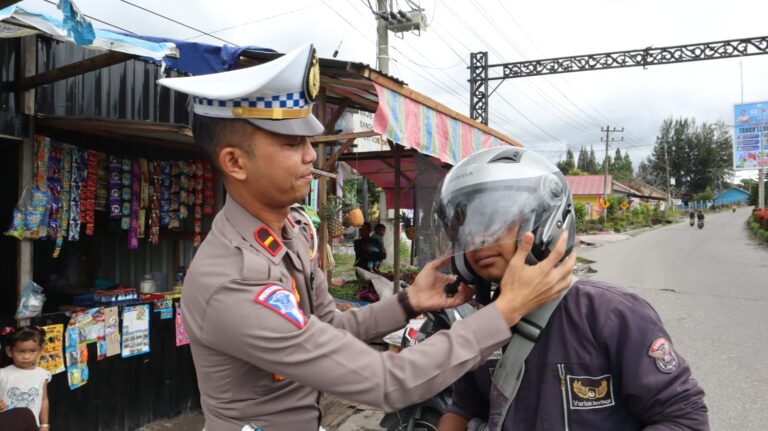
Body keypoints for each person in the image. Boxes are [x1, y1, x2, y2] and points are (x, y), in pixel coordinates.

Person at [158, 44, 576, 431]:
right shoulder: (232, 279)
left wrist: (410, 302)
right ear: (235, 162)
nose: (309, 155)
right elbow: (387, 383)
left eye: (308, 140)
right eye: (290, 144)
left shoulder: (294, 232)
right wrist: (505, 311)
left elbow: (331, 326)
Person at [433, 147, 709, 431]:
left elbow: (683, 418)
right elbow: (465, 408)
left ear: (544, 221)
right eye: (466, 226)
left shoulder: (608, 313)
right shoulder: (480, 328)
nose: (478, 237)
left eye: (494, 220)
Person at [0, 326, 51, 430]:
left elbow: (44, 400)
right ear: (9, 351)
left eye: (32, 351)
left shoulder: (43, 374)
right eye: (20, 352)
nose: (26, 357)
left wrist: (44, 424)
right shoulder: (3, 374)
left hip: (31, 426)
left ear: (40, 351)